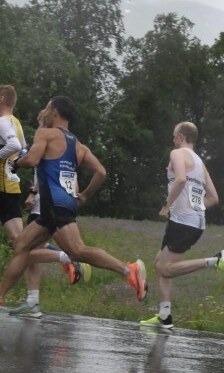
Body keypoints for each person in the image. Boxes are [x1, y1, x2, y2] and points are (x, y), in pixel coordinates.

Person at [0, 96, 147, 306]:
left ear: (54, 112)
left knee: (77, 250)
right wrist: (85, 195)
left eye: (47, 107)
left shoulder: (46, 134)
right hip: (62, 205)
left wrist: (16, 162)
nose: (46, 111)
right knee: (22, 246)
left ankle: (127, 269)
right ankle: (1, 295)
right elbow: (101, 172)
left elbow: (31, 160)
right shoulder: (79, 145)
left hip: (54, 206)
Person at [1, 91, 90, 318]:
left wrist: (33, 191)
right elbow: (65, 172)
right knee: (24, 248)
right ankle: (33, 301)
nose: (41, 125)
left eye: (43, 120)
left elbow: (41, 165)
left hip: (46, 202)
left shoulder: (46, 134)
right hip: (52, 200)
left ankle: (67, 258)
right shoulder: (63, 140)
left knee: (26, 248)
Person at [139, 122, 224, 329]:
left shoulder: (177, 154)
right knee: (159, 264)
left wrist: (166, 206)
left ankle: (214, 261)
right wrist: (195, 207)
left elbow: (180, 179)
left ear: (180, 136)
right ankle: (165, 316)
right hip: (193, 222)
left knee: (165, 268)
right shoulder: (200, 163)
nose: (172, 140)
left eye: (174, 136)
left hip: (182, 222)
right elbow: (214, 198)